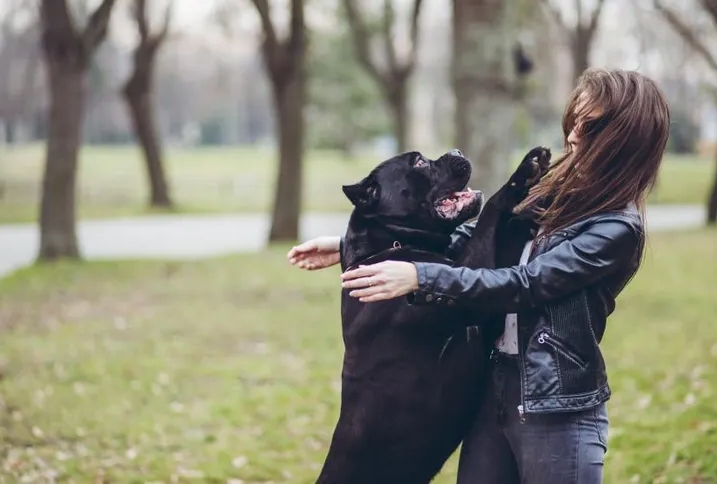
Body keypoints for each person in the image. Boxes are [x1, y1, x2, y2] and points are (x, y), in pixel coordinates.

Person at [287, 68, 670, 484]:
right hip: (494, 395)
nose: (573, 135)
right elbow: (483, 240)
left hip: (555, 411)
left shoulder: (615, 229)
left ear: (625, 139)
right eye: (573, 120)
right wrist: (351, 245)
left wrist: (421, 277)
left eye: (589, 126)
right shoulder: (557, 192)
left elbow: (526, 284)